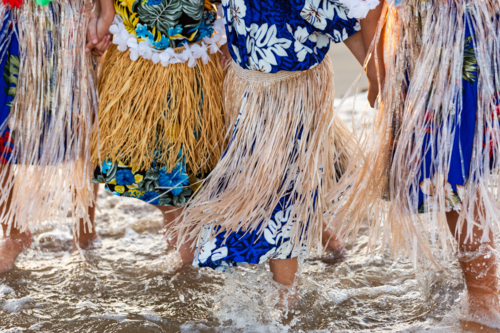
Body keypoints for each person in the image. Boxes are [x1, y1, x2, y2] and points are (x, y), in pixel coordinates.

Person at [171, 0, 375, 309]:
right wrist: (377, 75)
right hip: (263, 89)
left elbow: (333, 15)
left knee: (283, 190)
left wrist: (378, 77)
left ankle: (286, 298)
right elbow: (335, 17)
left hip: (282, 92)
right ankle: (312, 267)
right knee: (282, 187)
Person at [335, 0, 500, 329]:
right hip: (470, 28)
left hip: (438, 42)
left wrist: (377, 76)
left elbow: (366, 6)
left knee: (453, 178)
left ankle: (485, 301)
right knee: (461, 170)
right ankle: (484, 294)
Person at [90, 0, 227, 264]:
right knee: (138, 158)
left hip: (193, 51)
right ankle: (176, 227)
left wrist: (232, 33)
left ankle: (184, 239)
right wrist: (101, 17)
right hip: (136, 50)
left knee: (190, 159)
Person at [0, 0, 105, 272]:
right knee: (1, 121)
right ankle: (13, 233)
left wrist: (102, 13)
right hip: (11, 15)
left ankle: (84, 230)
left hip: (69, 14)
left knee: (80, 123)